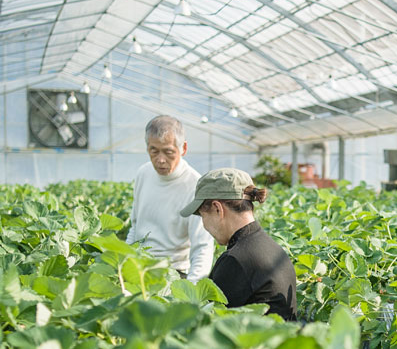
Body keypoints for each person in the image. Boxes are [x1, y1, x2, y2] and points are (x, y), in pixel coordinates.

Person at [180, 168, 297, 321]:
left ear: (217, 209)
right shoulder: (273, 249)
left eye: (202, 216)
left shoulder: (236, 260)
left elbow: (209, 323)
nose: (204, 225)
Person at [125, 115, 214, 281]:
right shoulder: (143, 174)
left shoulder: (196, 185)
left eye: (168, 152)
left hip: (174, 273)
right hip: (138, 268)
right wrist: (123, 266)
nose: (160, 160)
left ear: (183, 149)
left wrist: (191, 290)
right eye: (154, 151)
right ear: (147, 148)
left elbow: (203, 247)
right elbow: (135, 226)